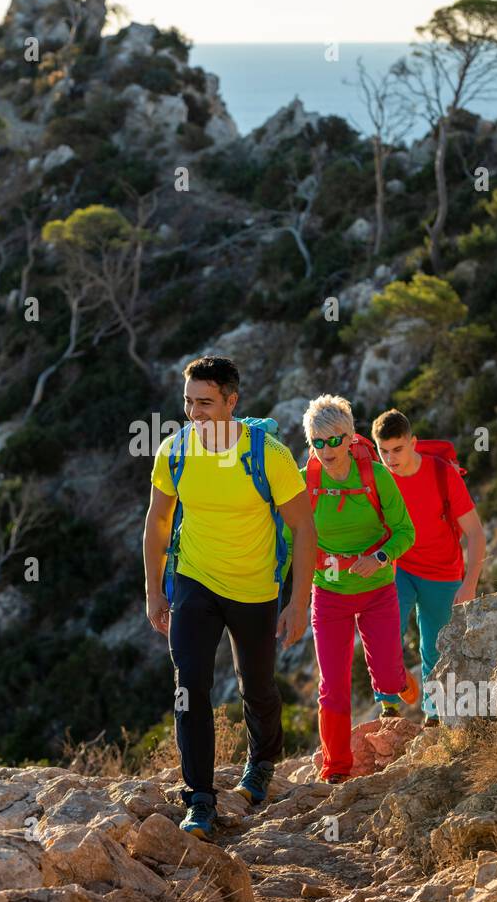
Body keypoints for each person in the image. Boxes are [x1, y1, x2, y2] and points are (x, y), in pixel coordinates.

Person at [143, 356, 317, 839]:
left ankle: (261, 764)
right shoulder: (174, 452)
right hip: (195, 581)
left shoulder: (270, 455)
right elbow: (158, 522)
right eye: (188, 402)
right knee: (190, 683)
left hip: (255, 586)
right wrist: (154, 589)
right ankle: (199, 797)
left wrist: (298, 601)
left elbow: (304, 528)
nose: (194, 413)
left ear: (231, 402)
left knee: (256, 685)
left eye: (205, 403)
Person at [292, 394, 416, 783]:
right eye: (317, 442)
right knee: (333, 684)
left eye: (334, 440)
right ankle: (336, 768)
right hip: (328, 596)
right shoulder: (304, 483)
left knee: (388, 676)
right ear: (310, 442)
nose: (326, 450)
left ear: (350, 438)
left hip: (378, 589)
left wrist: (378, 558)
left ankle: (402, 684)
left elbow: (405, 532)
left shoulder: (376, 476)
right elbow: (289, 536)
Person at [371, 408, 486, 725]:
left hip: (443, 572)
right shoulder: (379, 478)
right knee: (383, 631)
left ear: (413, 443)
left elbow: (475, 533)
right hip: (400, 566)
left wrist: (470, 583)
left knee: (435, 648)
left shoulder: (440, 473)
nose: (391, 458)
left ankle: (435, 717)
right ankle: (389, 705)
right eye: (383, 451)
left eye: (398, 449)